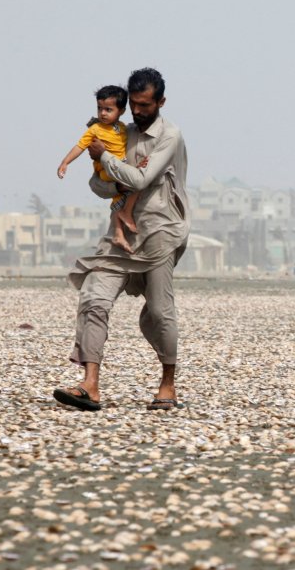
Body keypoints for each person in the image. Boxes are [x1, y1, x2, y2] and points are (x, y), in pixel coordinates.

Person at [53, 67, 189, 412]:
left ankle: (168, 383)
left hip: (160, 233)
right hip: (120, 235)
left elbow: (142, 179)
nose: (140, 111)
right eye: (135, 105)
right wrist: (112, 177)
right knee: (94, 298)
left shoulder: (169, 136)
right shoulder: (119, 134)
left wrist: (107, 159)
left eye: (146, 105)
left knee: (159, 312)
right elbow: (96, 185)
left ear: (161, 101)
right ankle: (90, 384)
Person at [57, 85, 141, 253]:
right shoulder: (95, 129)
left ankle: (118, 233)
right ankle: (126, 213)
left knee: (122, 195)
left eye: (108, 109)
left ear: (121, 111)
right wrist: (65, 162)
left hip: (119, 167)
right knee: (137, 183)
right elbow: (80, 146)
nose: (102, 113)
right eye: (100, 108)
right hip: (107, 170)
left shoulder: (123, 128)